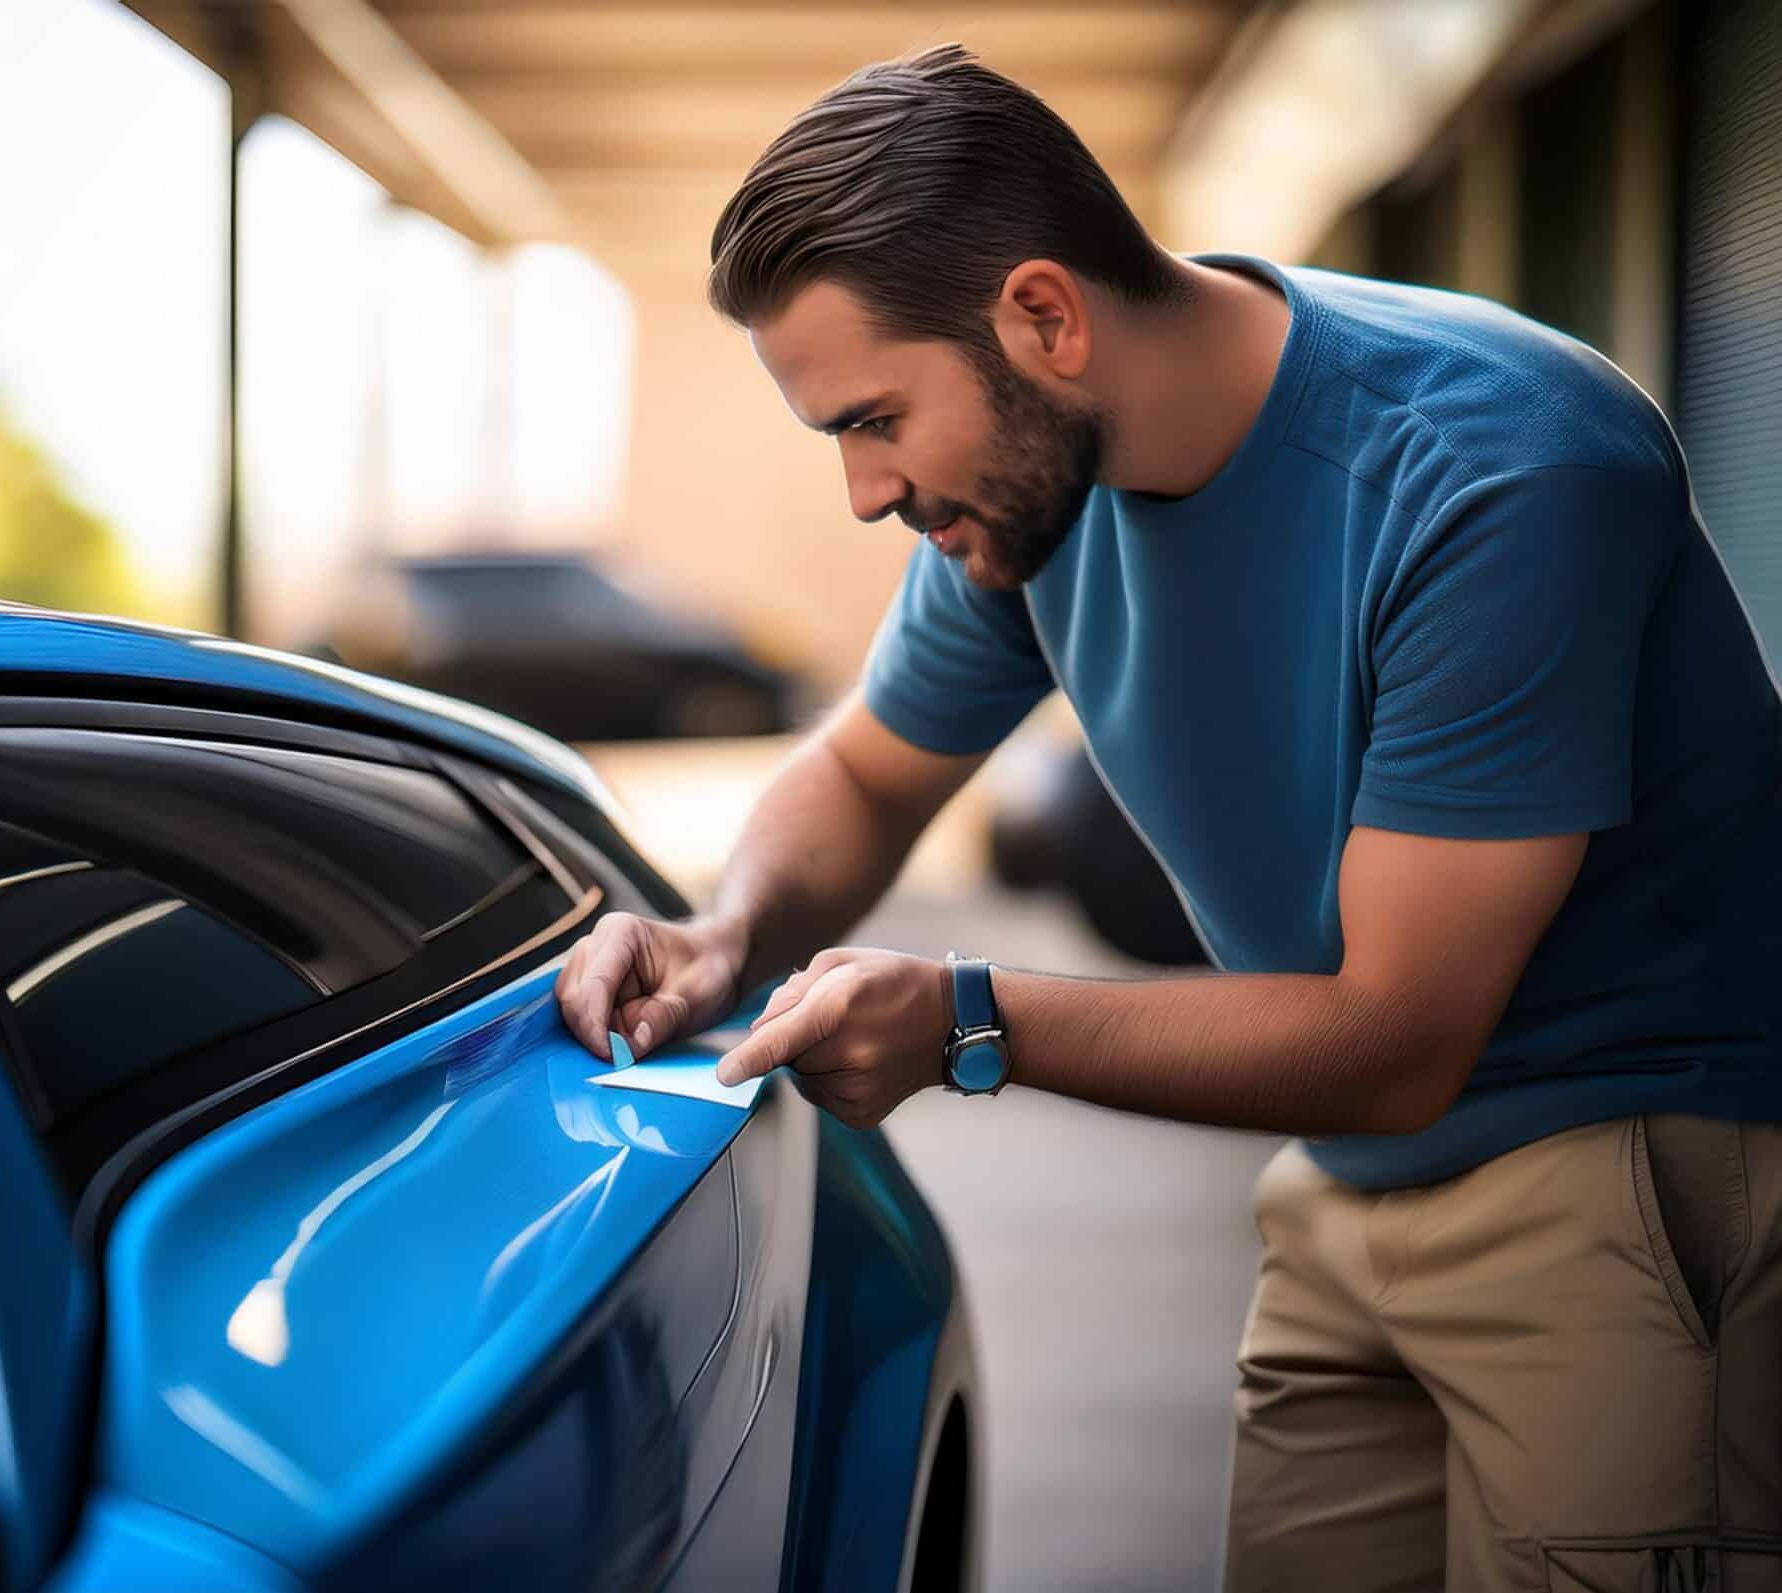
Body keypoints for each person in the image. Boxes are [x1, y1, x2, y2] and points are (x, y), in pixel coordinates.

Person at [555, 43, 1782, 1591]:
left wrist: (965, 1023)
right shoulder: (1025, 494)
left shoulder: (1496, 468)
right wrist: (725, 933)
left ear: (1045, 317)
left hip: (1620, 1188)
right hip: (1345, 1184)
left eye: (874, 420)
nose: (867, 492)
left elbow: (1401, 1035)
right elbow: (867, 772)